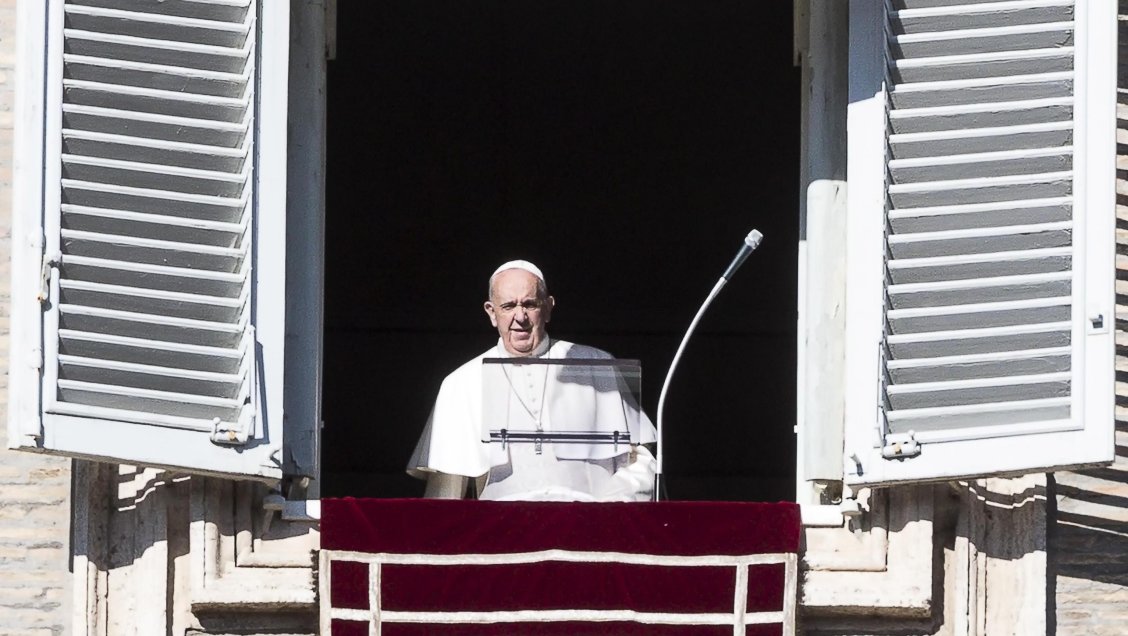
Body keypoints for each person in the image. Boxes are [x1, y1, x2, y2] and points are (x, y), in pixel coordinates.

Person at [407, 260, 657, 501]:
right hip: (505, 536)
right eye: (508, 306)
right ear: (491, 313)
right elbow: (445, 495)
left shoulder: (597, 365)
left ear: (548, 308)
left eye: (530, 304)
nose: (520, 317)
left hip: (590, 532)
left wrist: (612, 508)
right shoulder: (461, 384)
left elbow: (639, 460)